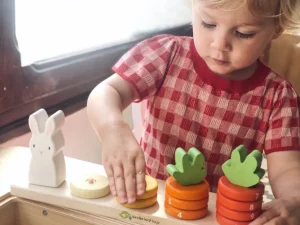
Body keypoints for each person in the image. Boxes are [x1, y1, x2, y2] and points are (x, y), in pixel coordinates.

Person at [87, 0, 300, 224]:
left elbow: (287, 169)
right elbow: (106, 91)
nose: (219, 45)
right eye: (208, 24)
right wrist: (113, 130)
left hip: (215, 216)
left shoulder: (278, 95)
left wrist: (294, 200)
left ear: (276, 29)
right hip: (149, 206)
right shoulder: (165, 54)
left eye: (243, 33)